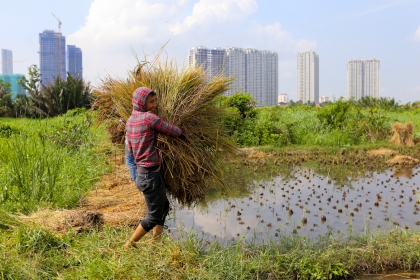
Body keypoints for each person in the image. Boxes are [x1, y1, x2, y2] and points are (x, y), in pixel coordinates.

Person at [124, 87, 182, 249]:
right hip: (150, 177)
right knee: (154, 216)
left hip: (143, 175)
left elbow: (129, 150)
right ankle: (129, 245)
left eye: (155, 101)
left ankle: (155, 245)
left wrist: (133, 174)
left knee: (164, 207)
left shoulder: (130, 121)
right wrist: (182, 131)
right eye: (151, 102)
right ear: (141, 102)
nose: (154, 105)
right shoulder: (150, 118)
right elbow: (173, 131)